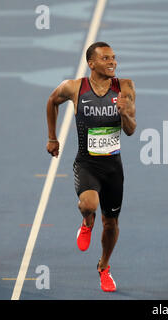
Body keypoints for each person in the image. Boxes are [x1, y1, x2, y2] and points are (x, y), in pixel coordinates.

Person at [46, 42, 136, 292]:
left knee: (111, 224)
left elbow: (131, 130)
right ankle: (87, 222)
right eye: (106, 58)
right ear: (91, 63)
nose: (113, 62)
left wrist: (125, 114)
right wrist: (53, 137)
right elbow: (52, 101)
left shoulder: (125, 87)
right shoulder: (75, 88)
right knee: (88, 204)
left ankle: (104, 267)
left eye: (114, 58)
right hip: (87, 163)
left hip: (113, 168)